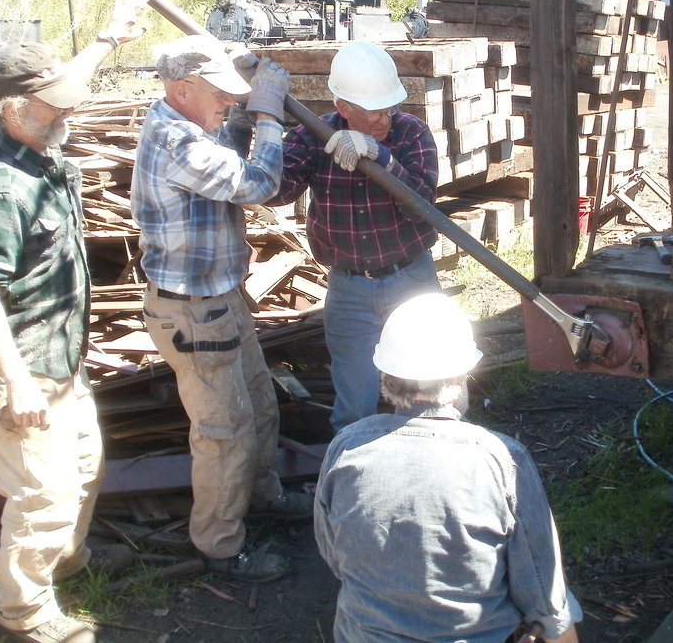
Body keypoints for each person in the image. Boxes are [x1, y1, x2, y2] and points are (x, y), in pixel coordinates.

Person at [0, 0, 148, 643]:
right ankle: (22, 617)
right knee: (40, 497)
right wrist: (19, 381)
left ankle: (65, 561)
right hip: (25, 366)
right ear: (15, 109)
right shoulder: (4, 184)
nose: (71, 107)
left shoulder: (40, 138)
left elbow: (62, 83)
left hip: (62, 361)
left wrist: (110, 37)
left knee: (84, 466)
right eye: (55, 102)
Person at [131, 36, 310, 584]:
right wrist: (270, 114)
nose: (229, 104)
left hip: (219, 298)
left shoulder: (192, 125)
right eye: (221, 93)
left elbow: (227, 143)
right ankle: (221, 547)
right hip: (193, 312)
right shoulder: (175, 141)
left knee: (257, 407)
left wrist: (247, 82)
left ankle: (262, 499)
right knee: (223, 432)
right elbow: (258, 182)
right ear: (182, 88)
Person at [315, 292, 581, 643]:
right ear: (461, 379)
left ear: (386, 376)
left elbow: (334, 556)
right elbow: (543, 592)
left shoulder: (347, 447)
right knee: (562, 607)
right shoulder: (500, 459)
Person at [269, 40, 442, 432]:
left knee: (424, 394)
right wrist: (261, 121)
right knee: (353, 406)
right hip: (349, 289)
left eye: (388, 108)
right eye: (371, 112)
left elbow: (422, 208)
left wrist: (383, 159)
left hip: (410, 279)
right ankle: (353, 479)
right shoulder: (314, 135)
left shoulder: (411, 133)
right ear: (343, 107)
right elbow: (276, 190)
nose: (383, 120)